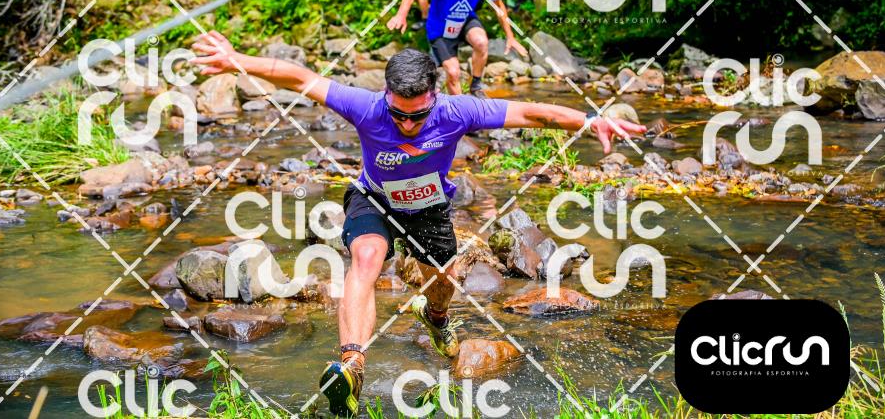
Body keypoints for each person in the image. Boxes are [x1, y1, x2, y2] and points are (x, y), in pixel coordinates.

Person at [191, 30, 647, 418]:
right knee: (366, 259)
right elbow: (300, 77)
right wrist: (237, 60)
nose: (407, 124)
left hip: (428, 208)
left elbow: (531, 112)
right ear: (386, 96)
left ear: (434, 96)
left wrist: (589, 120)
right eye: (399, 114)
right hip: (374, 198)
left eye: (418, 115)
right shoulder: (365, 106)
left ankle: (437, 317)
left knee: (442, 283)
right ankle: (352, 366)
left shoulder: (457, 111)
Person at [387, 0, 528, 97]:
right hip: (440, 27)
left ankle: (476, 86)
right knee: (453, 73)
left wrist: (510, 36)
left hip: (465, 19)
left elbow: (499, 6)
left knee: (481, 42)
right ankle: (460, 107)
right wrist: (401, 14)